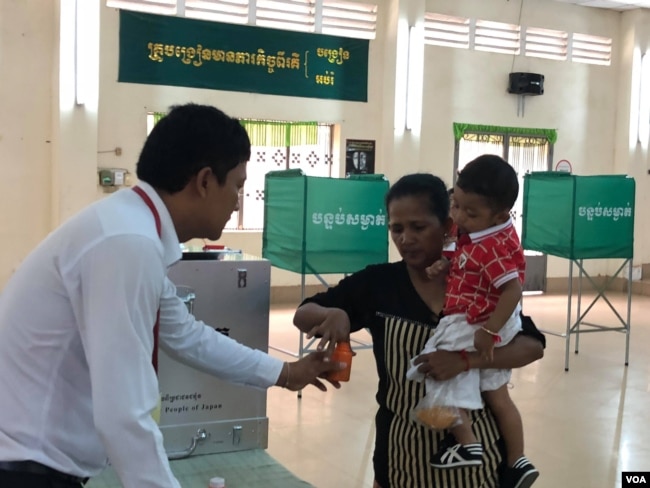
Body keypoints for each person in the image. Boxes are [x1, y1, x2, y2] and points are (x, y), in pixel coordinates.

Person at [0, 103, 343, 488]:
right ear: (205, 181)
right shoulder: (127, 242)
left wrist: (286, 372)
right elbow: (124, 412)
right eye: (238, 186)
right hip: (26, 469)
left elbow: (186, 335)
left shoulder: (129, 227)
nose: (237, 202)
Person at [293, 172, 545, 488]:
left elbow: (532, 346)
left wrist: (465, 362)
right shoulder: (379, 284)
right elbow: (303, 313)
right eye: (396, 229)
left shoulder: (480, 281)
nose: (405, 239)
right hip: (400, 459)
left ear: (448, 225)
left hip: (476, 470)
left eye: (418, 227)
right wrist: (335, 313)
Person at [407, 155, 537, 488]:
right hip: (490, 316)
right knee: (497, 394)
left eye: (469, 212)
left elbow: (513, 289)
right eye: (457, 206)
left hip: (480, 319)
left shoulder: (490, 244)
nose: (460, 217)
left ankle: (467, 443)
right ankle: (518, 462)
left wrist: (489, 332)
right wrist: (447, 265)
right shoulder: (486, 231)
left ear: (500, 214)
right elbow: (470, 260)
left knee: (437, 364)